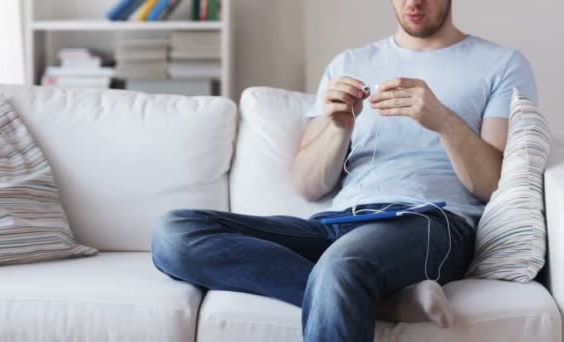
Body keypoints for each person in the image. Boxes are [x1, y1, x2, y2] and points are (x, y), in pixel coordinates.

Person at [151, 0, 537, 340]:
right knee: (175, 234)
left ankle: (353, 287)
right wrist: (338, 127)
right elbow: (306, 184)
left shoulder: (501, 63)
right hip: (338, 223)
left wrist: (443, 121)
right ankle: (383, 301)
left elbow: (493, 185)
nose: (414, 1)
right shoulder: (349, 64)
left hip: (430, 222)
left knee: (342, 266)